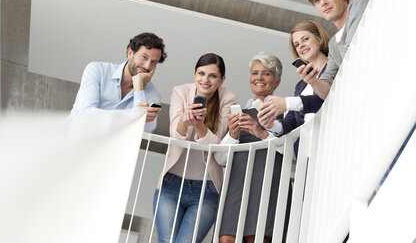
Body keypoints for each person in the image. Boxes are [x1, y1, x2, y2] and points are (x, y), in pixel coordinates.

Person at [153, 53, 237, 243]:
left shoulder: (228, 99)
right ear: (194, 74)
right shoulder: (180, 92)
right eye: (201, 73)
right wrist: (186, 119)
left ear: (222, 79)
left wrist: (199, 125)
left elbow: (215, 144)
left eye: (213, 76)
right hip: (170, 184)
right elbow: (175, 136)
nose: (205, 80)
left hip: (205, 190)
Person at [215, 51, 290, 243]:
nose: (259, 78)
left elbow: (291, 150)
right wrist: (232, 135)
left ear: (277, 81)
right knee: (226, 239)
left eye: (266, 73)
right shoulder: (239, 113)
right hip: (237, 184)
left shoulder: (287, 113)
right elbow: (220, 159)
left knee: (257, 238)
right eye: (255, 73)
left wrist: (261, 133)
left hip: (268, 184)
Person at [71, 32, 166, 133]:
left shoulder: (153, 94)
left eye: (153, 62)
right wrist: (132, 116)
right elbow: (87, 114)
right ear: (130, 53)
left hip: (113, 146)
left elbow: (142, 132)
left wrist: (139, 86)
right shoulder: (97, 70)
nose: (147, 66)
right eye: (144, 57)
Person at [297, 0, 370, 100]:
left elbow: (356, 50)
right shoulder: (334, 45)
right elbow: (326, 90)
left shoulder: (359, 1)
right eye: (317, 0)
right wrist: (313, 81)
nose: (323, 3)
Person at [258, 20, 330, 139]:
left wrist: (287, 103)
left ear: (319, 38)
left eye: (305, 39)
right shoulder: (300, 86)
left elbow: (324, 100)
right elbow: (290, 123)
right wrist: (272, 125)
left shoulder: (334, 68)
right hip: (306, 153)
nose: (300, 45)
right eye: (296, 44)